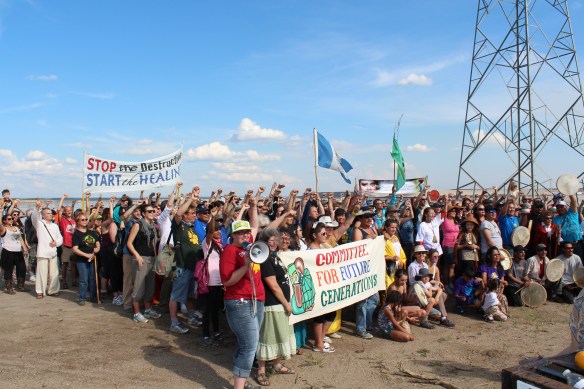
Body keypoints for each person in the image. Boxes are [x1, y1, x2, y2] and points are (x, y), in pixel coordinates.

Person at [220, 206, 262, 389]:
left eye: (246, 233)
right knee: (249, 345)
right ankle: (238, 386)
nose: (245, 235)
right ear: (233, 235)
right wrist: (245, 266)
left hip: (256, 299)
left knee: (247, 343)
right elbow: (227, 281)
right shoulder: (230, 251)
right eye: (240, 233)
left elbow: (255, 225)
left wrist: (253, 206)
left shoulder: (250, 245)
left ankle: (241, 383)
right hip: (239, 301)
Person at [255, 228, 296, 387]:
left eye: (275, 240)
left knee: (279, 336)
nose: (273, 243)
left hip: (280, 304)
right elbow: (273, 285)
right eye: (269, 241)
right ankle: (261, 370)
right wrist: (286, 304)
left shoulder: (274, 256)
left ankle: (277, 364)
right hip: (272, 305)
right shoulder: (264, 259)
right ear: (263, 242)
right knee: (268, 337)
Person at [168, 189, 203, 333]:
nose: (194, 215)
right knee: (176, 295)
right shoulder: (179, 226)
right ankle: (174, 322)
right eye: (192, 213)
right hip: (183, 266)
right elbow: (177, 214)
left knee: (189, 295)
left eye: (195, 213)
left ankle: (190, 316)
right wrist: (189, 199)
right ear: (185, 215)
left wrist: (194, 200)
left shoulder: (192, 228)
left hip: (192, 266)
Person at [126, 203, 160, 322]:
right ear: (144, 213)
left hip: (151, 258)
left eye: (153, 211)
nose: (152, 213)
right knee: (139, 286)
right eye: (149, 211)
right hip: (141, 258)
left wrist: (155, 257)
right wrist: (137, 256)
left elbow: (152, 243)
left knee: (150, 286)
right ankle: (136, 313)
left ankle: (148, 309)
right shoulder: (137, 225)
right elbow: (129, 243)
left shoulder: (152, 226)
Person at [200, 208, 225, 345]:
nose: (219, 232)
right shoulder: (206, 243)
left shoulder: (219, 245)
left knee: (216, 309)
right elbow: (209, 232)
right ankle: (205, 334)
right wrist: (213, 218)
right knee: (208, 309)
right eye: (216, 230)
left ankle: (216, 331)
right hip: (210, 281)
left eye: (219, 230)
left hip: (219, 281)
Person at [31, 200, 63, 298]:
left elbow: (60, 238)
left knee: (54, 273)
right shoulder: (39, 224)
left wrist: (56, 243)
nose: (51, 215)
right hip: (42, 252)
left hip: (53, 252)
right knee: (41, 273)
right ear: (43, 215)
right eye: (48, 213)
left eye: (51, 213)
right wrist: (37, 208)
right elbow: (34, 217)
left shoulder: (55, 226)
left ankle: (53, 290)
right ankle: (40, 291)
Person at [71, 213, 100, 305]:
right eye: (82, 220)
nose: (85, 221)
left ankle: (93, 297)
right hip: (81, 259)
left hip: (92, 258)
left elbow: (97, 243)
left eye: (86, 219)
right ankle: (82, 298)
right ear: (78, 222)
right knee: (84, 280)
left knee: (93, 279)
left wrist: (96, 250)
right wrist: (86, 255)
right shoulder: (76, 234)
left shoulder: (91, 232)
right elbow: (75, 249)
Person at [0, 213, 28, 294]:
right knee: (9, 269)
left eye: (11, 218)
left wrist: (25, 249)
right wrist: (1, 212)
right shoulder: (3, 229)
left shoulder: (16, 227)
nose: (11, 220)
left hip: (18, 251)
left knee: (22, 268)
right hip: (8, 251)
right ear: (4, 221)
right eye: (9, 219)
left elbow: (20, 239)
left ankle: (21, 286)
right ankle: (9, 287)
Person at [478, 246, 509, 316]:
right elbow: (485, 282)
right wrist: (497, 281)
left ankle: (498, 313)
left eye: (498, 254)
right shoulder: (485, 267)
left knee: (503, 297)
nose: (497, 256)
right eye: (495, 255)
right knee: (492, 297)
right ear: (489, 256)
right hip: (488, 290)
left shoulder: (500, 268)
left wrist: (500, 293)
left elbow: (502, 285)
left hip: (497, 290)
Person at [553, 195, 583, 260]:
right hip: (565, 246)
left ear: (566, 207)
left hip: (577, 243)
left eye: (561, 206)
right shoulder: (555, 219)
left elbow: (573, 201)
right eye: (558, 207)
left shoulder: (572, 212)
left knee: (580, 264)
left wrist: (569, 191)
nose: (559, 208)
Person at [58, 196, 77, 289]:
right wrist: (62, 199)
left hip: (74, 245)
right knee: (65, 264)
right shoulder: (62, 221)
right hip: (66, 245)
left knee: (73, 264)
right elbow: (58, 210)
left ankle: (74, 281)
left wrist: (73, 205)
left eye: (70, 210)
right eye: (67, 210)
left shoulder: (74, 220)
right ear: (64, 212)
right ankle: (64, 281)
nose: (69, 212)